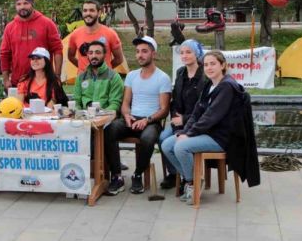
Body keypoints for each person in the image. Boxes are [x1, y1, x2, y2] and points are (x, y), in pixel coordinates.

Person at [161, 50, 250, 204]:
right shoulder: (210, 85)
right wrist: (185, 131)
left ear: (222, 65)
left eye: (213, 64)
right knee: (167, 145)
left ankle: (193, 183)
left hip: (222, 138)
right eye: (206, 64)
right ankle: (193, 180)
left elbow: (210, 117)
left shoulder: (227, 86)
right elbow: (197, 113)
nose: (209, 68)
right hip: (209, 133)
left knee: (181, 147)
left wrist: (188, 135)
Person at [104, 36, 171, 195]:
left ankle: (137, 174)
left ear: (153, 54)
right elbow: (125, 102)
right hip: (131, 118)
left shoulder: (162, 77)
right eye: (138, 52)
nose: (140, 55)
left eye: (144, 51)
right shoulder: (132, 75)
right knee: (108, 130)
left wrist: (147, 120)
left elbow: (164, 109)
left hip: (151, 120)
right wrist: (126, 115)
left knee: (147, 139)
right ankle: (117, 176)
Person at [159, 39, 207, 190]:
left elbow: (204, 106)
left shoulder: (205, 76)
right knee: (162, 138)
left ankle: (188, 179)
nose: (184, 56)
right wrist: (174, 117)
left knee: (175, 143)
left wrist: (185, 119)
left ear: (197, 54)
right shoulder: (180, 73)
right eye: (182, 53)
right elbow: (175, 99)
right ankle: (176, 174)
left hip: (196, 123)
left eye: (188, 52)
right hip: (179, 121)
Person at [0, 0, 63, 89]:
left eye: (26, 3)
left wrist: (57, 76)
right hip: (17, 81)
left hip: (43, 81)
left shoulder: (47, 23)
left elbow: (57, 50)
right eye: (19, 4)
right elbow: (4, 54)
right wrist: (6, 79)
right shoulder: (9, 27)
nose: (22, 7)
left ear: (32, 4)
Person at [67, 0, 124, 74]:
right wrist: (83, 68)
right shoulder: (75, 35)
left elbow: (119, 59)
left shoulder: (110, 34)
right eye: (85, 10)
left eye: (92, 10)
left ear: (99, 13)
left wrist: (104, 70)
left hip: (104, 81)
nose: (88, 13)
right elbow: (70, 57)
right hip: (83, 82)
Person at [73, 41, 123, 112]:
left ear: (104, 55)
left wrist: (101, 114)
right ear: (87, 55)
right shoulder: (81, 77)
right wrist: (79, 113)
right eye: (90, 53)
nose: (94, 56)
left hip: (106, 118)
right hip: (84, 118)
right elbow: (76, 101)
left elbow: (115, 104)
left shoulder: (114, 77)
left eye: (98, 53)